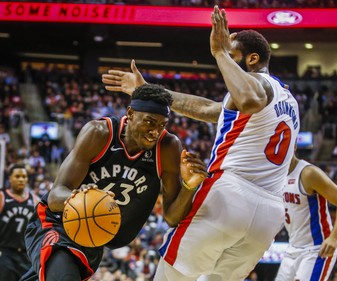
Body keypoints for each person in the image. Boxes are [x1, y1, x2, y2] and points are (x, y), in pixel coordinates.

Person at [102, 6, 300, 280]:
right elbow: (208, 110)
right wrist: (147, 91)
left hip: (231, 196)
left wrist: (219, 52)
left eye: (233, 55)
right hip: (269, 216)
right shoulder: (287, 99)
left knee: (171, 276)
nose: (224, 61)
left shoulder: (257, 84)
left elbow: (249, 100)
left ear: (252, 59)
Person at [20, 83, 208, 281]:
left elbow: (171, 217)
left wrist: (190, 186)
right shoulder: (99, 133)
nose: (155, 132)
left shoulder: (168, 147)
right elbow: (55, 196)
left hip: (92, 239)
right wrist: (82, 198)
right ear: (131, 113)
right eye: (150, 122)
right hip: (56, 224)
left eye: (162, 125)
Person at [274, 152, 337, 281]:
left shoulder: (308, 173)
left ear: (293, 146)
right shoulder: (276, 176)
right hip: (292, 248)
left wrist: (334, 238)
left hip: (316, 250)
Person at [0, 163, 39, 281]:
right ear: (10, 179)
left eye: (24, 176)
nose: (21, 179)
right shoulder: (2, 197)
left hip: (26, 257)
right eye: (17, 176)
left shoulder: (35, 200)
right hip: (5, 253)